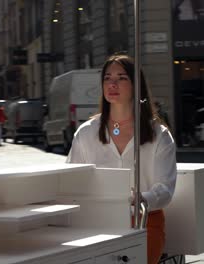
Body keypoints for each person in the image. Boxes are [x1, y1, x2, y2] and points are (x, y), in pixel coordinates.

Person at [66, 54, 177, 264]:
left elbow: (165, 189)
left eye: (121, 78)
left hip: (145, 224)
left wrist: (143, 199)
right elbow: (72, 181)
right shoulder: (86, 133)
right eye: (107, 78)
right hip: (98, 223)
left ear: (137, 85)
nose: (112, 83)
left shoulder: (159, 134)